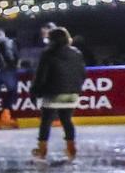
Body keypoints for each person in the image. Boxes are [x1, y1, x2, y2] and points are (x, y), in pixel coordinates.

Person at [31, 25, 86, 162]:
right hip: (72, 94)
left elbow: (41, 76)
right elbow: (82, 73)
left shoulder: (48, 54)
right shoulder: (77, 53)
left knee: (46, 122)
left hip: (53, 93)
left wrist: (35, 92)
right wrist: (76, 88)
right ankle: (71, 148)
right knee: (67, 120)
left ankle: (42, 150)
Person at [0, 23, 21, 128]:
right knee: (11, 92)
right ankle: (5, 116)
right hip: (7, 71)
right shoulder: (10, 42)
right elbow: (15, 56)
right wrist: (15, 66)